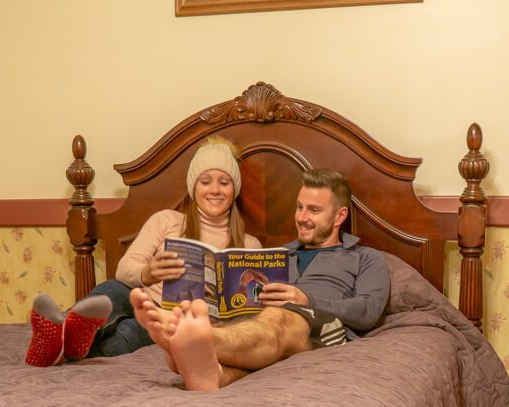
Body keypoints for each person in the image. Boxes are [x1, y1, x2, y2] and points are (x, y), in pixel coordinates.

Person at [131, 168, 389, 392]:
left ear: (339, 216)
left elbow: (368, 311)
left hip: (322, 327)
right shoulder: (276, 255)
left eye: (314, 210)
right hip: (264, 324)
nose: (301, 217)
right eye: (299, 207)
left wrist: (307, 299)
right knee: (258, 328)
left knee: (279, 318)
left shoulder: (365, 257)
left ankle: (198, 338)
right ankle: (212, 374)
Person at [24, 137, 260, 367]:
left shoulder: (249, 246)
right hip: (140, 299)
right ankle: (64, 326)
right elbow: (124, 269)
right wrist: (147, 273)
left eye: (224, 182)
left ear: (234, 189)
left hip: (167, 323)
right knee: (112, 291)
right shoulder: (166, 221)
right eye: (205, 181)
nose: (215, 190)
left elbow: (251, 315)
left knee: (125, 338)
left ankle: (59, 347)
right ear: (193, 187)